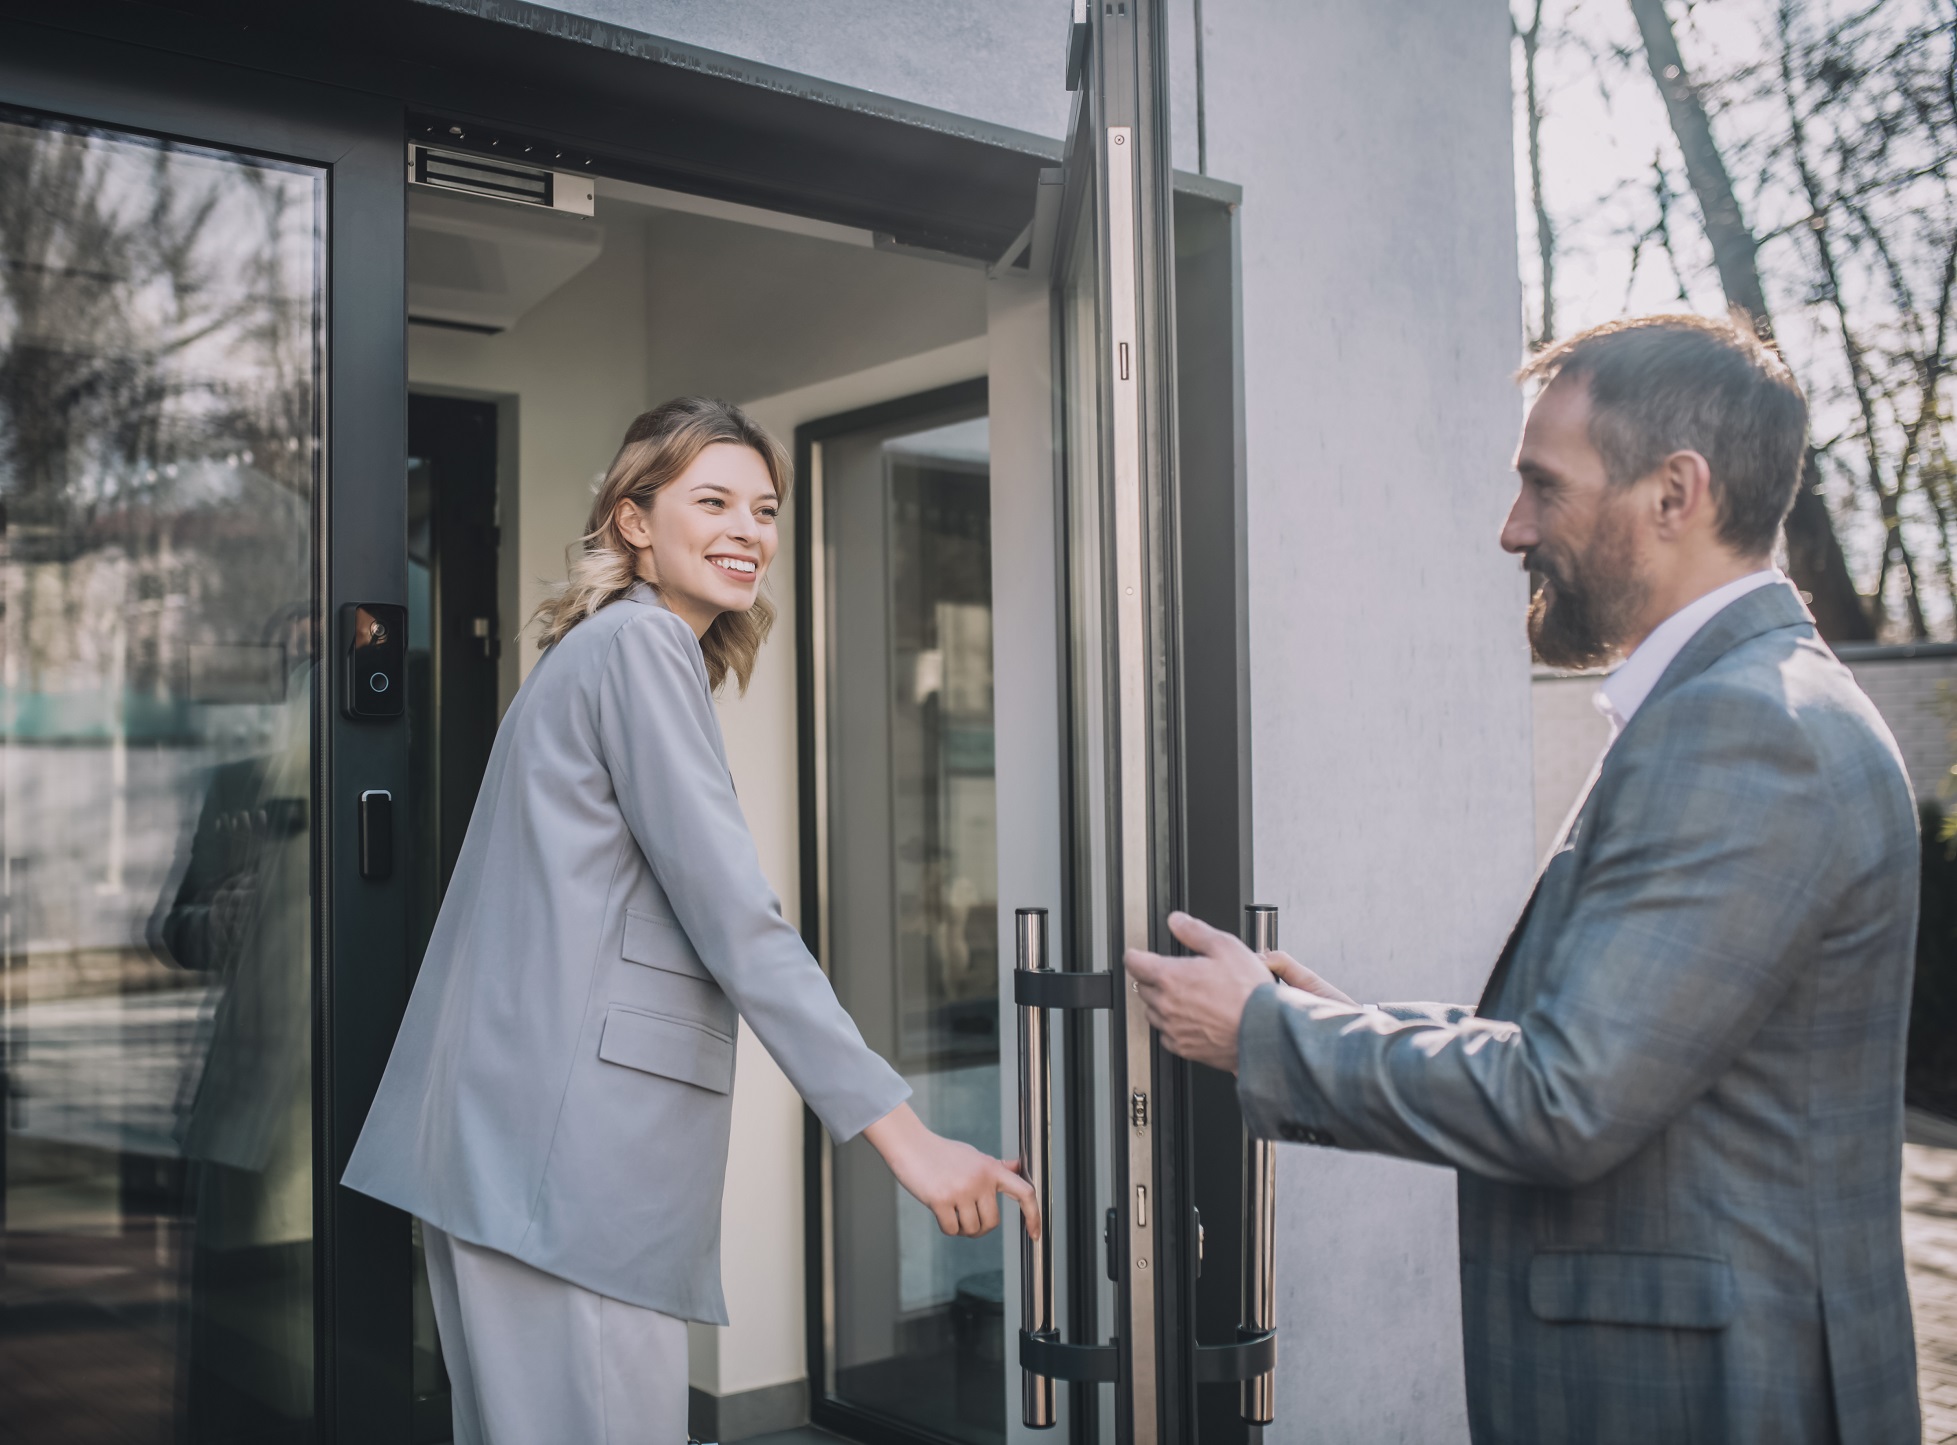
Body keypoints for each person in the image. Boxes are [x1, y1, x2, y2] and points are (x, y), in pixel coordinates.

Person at [1125, 315, 1919, 1444]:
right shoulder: (1743, 704)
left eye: (1542, 485)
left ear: (1673, 494)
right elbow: (1626, 1049)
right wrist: (1331, 1019)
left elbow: (1566, 1096)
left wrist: (1263, 1032)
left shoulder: (1746, 729)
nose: (1512, 529)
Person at [344, 397, 1035, 1444]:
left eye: (763, 509)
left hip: (512, 1148)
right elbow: (738, 921)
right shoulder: (640, 648)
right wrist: (906, 1138)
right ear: (634, 520)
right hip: (565, 1167)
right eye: (711, 500)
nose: (747, 530)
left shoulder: (598, 653)